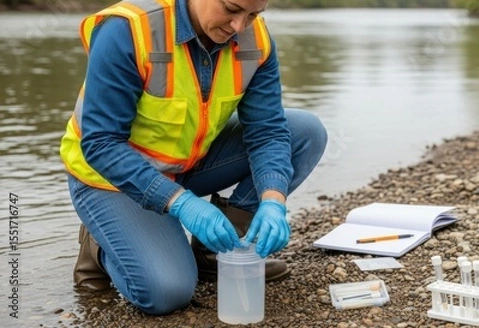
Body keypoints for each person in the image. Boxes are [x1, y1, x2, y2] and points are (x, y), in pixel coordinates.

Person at [59, 0, 327, 316]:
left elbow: (267, 132)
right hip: (108, 178)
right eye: (231, 8)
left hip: (188, 163)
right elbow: (102, 144)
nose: (239, 27)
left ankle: (215, 253)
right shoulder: (129, 30)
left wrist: (273, 200)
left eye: (253, 14)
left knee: (305, 131)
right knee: (167, 293)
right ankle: (100, 243)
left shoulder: (256, 40)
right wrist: (182, 203)